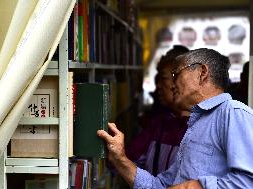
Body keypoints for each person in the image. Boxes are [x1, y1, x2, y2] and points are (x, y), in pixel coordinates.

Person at [97, 48, 253, 188]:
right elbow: (159, 185)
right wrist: (120, 158)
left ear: (202, 73)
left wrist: (194, 186)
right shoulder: (196, 124)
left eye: (176, 74)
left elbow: (247, 182)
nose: (172, 84)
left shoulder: (233, 113)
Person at [126, 45, 190, 176]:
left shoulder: (203, 128)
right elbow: (130, 157)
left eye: (163, 78)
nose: (158, 86)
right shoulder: (160, 123)